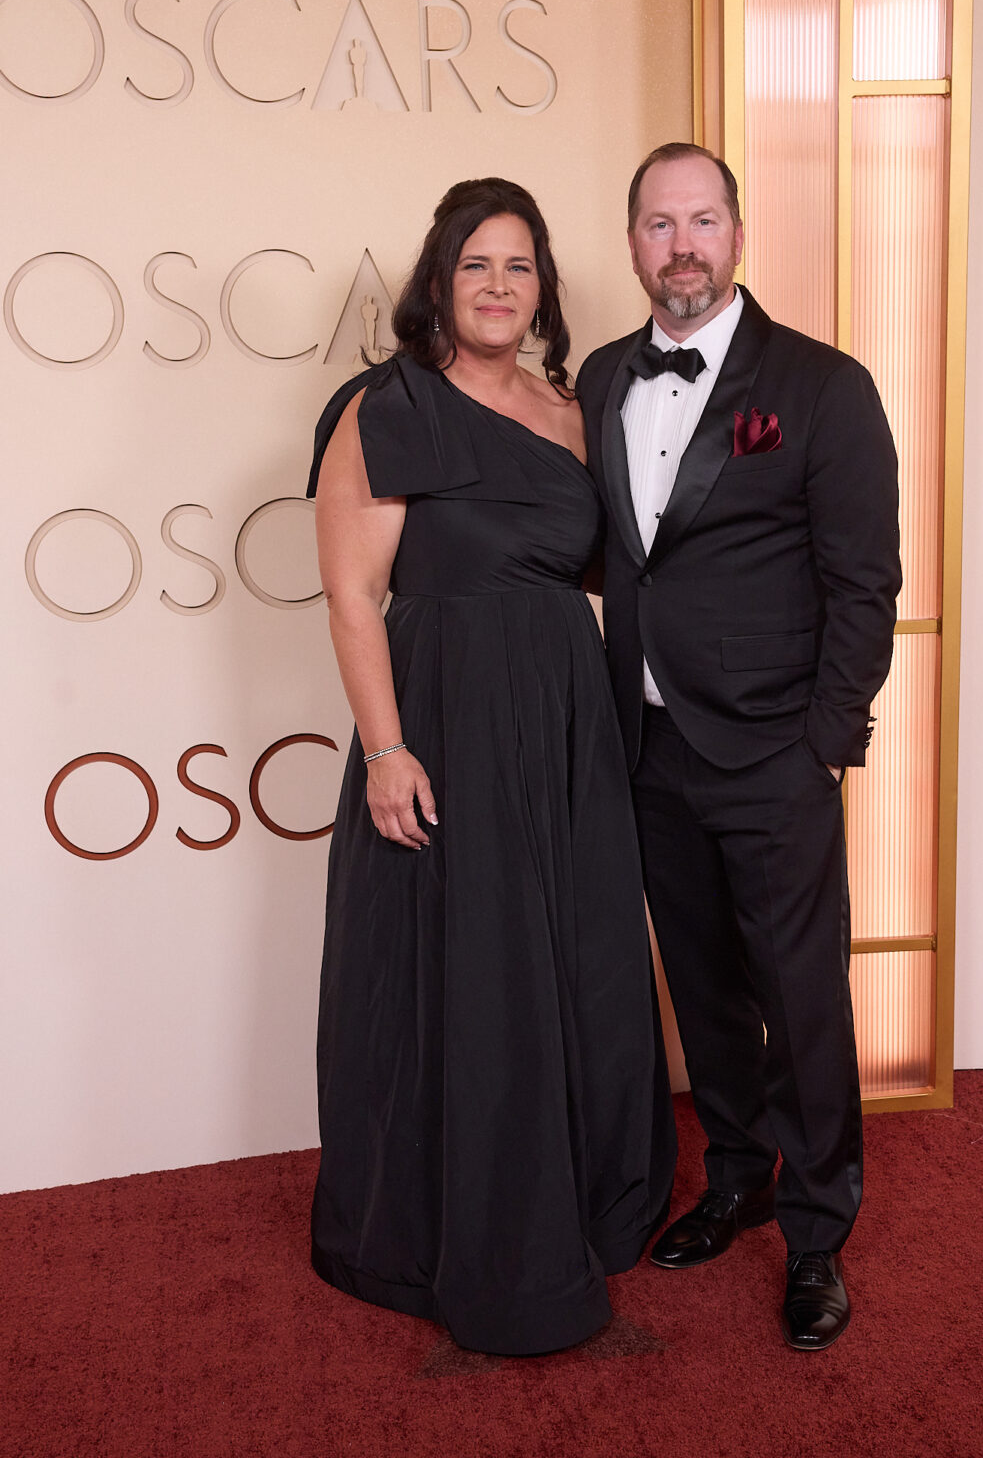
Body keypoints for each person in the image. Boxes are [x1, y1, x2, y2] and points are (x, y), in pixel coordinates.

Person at [307, 177, 676, 1357]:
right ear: (438, 282)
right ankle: (447, 1226)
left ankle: (576, 1192)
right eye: (477, 266)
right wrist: (385, 747)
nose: (499, 286)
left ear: (543, 289)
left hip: (565, 721)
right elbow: (355, 595)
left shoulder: (570, 408)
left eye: (518, 267)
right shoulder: (386, 405)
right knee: (466, 969)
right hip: (446, 723)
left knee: (572, 958)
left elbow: (604, 575)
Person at [575, 143, 901, 1351]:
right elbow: (611, 555)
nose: (681, 246)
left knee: (800, 999)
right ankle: (735, 1176)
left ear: (736, 234)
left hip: (772, 756)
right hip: (649, 747)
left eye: (700, 219)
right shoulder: (604, 377)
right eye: (657, 224)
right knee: (702, 989)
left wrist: (823, 741)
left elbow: (863, 581)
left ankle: (817, 1236)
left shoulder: (819, 386)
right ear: (631, 244)